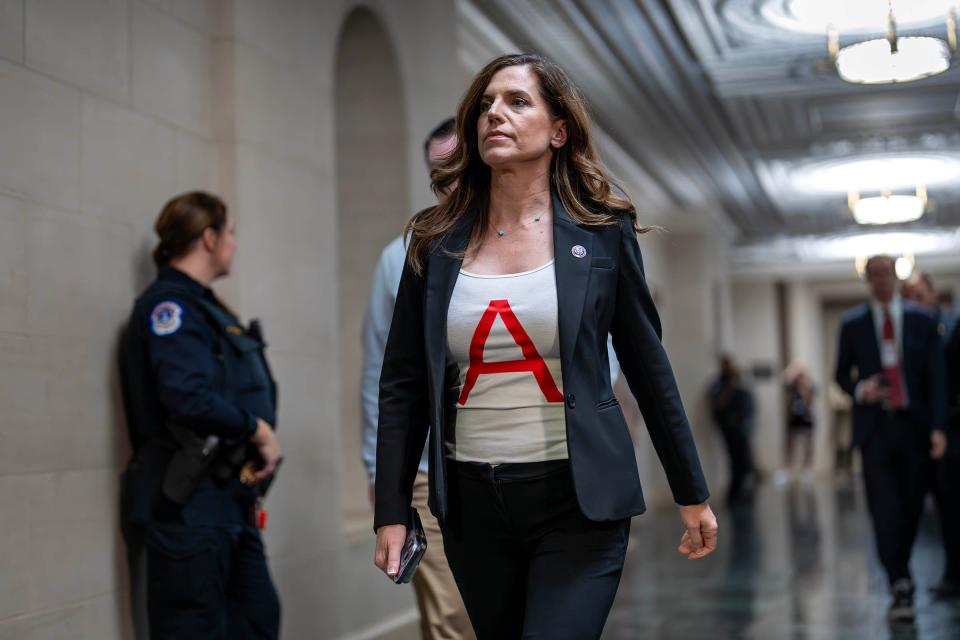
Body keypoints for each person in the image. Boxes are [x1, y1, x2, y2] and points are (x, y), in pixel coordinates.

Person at [372, 53, 717, 639]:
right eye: (484, 104)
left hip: (577, 502)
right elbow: (403, 382)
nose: (494, 115)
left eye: (516, 101)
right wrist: (392, 510)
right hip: (473, 505)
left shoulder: (602, 233)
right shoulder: (432, 243)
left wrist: (691, 493)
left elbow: (648, 367)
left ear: (559, 130)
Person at [118, 192, 283, 639]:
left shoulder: (207, 308)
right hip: (189, 506)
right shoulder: (169, 309)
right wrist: (258, 429)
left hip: (229, 500)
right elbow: (187, 397)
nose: (234, 243)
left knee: (257, 620)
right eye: (230, 232)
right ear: (208, 238)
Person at [361, 118, 476, 640]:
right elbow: (385, 378)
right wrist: (382, 477)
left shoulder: (534, 239)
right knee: (454, 616)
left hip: (513, 462)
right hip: (432, 471)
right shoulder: (404, 255)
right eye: (439, 176)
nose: (451, 185)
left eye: (459, 169)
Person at [835, 255, 947, 623]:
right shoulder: (852, 324)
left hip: (913, 427)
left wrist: (938, 427)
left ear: (895, 277)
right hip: (875, 429)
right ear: (867, 279)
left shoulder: (922, 320)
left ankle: (900, 568)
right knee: (884, 509)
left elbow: (936, 378)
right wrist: (860, 389)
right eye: (874, 275)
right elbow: (841, 375)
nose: (881, 280)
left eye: (886, 273)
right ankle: (900, 580)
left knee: (912, 506)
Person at [902, 271, 960, 598]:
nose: (915, 303)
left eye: (920, 296)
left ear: (933, 296)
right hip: (918, 433)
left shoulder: (950, 327)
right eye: (910, 297)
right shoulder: (906, 335)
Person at [709, 355, 757, 504]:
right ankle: (733, 496)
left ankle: (743, 494)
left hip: (741, 429)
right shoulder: (719, 384)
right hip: (729, 429)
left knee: (746, 462)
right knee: (736, 462)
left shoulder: (739, 383)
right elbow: (718, 404)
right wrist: (730, 386)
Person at [783, 363, 816, 480]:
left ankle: (807, 468)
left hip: (806, 419)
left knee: (808, 444)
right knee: (790, 444)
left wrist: (805, 389)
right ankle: (789, 468)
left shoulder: (810, 388)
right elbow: (785, 380)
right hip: (794, 419)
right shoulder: (792, 388)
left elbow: (810, 402)